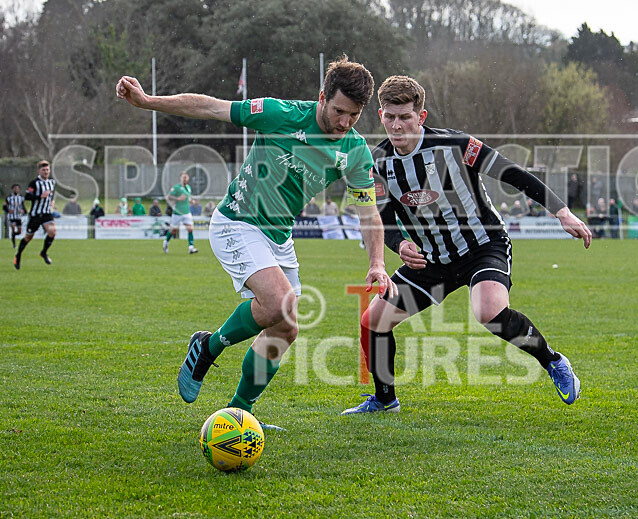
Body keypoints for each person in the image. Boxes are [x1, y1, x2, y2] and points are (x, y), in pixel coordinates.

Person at [115, 56, 395, 426]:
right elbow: (210, 107)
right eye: (339, 111)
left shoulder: (355, 151)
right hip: (237, 222)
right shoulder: (278, 113)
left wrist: (376, 262)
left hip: (279, 238)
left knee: (285, 328)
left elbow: (367, 211)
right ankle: (208, 347)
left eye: (354, 116)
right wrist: (149, 101)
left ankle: (240, 414)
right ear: (322, 96)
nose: (345, 123)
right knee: (279, 303)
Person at [341, 75, 591, 415]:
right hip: (432, 260)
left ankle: (553, 362)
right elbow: (382, 218)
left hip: (482, 246)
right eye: (389, 116)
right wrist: (399, 245)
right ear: (381, 115)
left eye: (405, 117)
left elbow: (512, 173)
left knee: (489, 312)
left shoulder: (458, 146)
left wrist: (561, 212)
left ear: (421, 117)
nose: (396, 125)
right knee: (373, 321)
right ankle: (385, 400)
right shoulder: (377, 163)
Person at [14, 160, 56, 269]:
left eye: (47, 170)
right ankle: (18, 256)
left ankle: (43, 252)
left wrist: (52, 201)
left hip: (46, 213)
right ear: (39, 171)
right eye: (43, 170)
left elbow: (51, 194)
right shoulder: (34, 183)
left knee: (52, 231)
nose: (46, 172)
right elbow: (27, 197)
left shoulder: (52, 182)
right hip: (35, 215)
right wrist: (40, 196)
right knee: (28, 237)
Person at [164, 172, 198, 254]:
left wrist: (192, 202)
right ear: (180, 178)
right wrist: (178, 199)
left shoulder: (188, 188)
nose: (185, 179)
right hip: (177, 212)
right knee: (173, 231)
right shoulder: (176, 188)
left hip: (186, 212)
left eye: (186, 177)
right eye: (183, 177)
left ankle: (191, 248)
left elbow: (188, 198)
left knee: (190, 229)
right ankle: (166, 242)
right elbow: (169, 196)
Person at [4, 184, 26, 249]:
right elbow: (4, 206)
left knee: (19, 232)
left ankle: (13, 235)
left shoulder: (21, 197)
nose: (16, 189)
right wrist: (9, 210)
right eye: (15, 188)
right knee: (13, 228)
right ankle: (14, 244)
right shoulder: (8, 197)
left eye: (17, 188)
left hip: (18, 217)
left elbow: (23, 207)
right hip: (12, 217)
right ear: (12, 189)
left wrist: (22, 211)